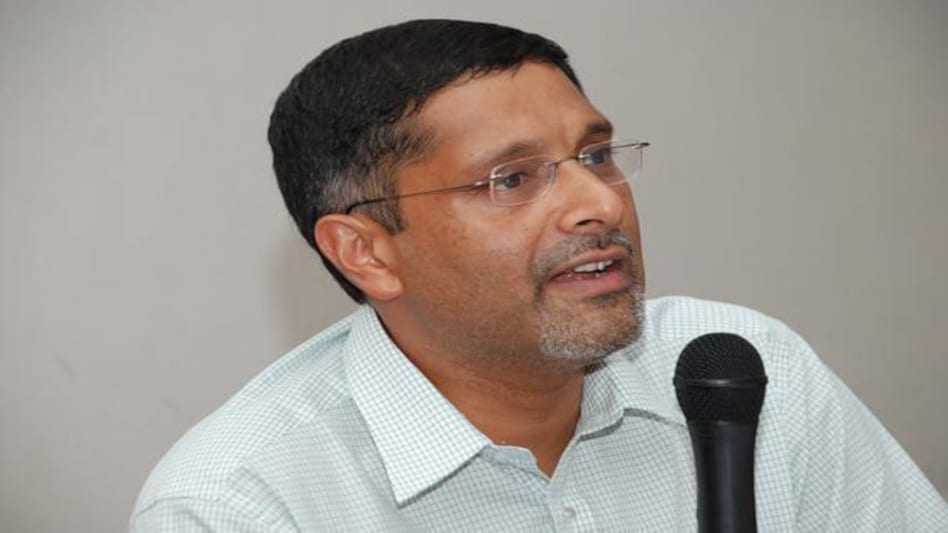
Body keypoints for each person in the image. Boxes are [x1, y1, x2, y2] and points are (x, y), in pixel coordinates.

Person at [131, 19, 946, 531]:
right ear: (367, 250)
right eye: (511, 179)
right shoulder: (240, 504)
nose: (599, 201)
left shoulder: (744, 369)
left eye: (595, 155)